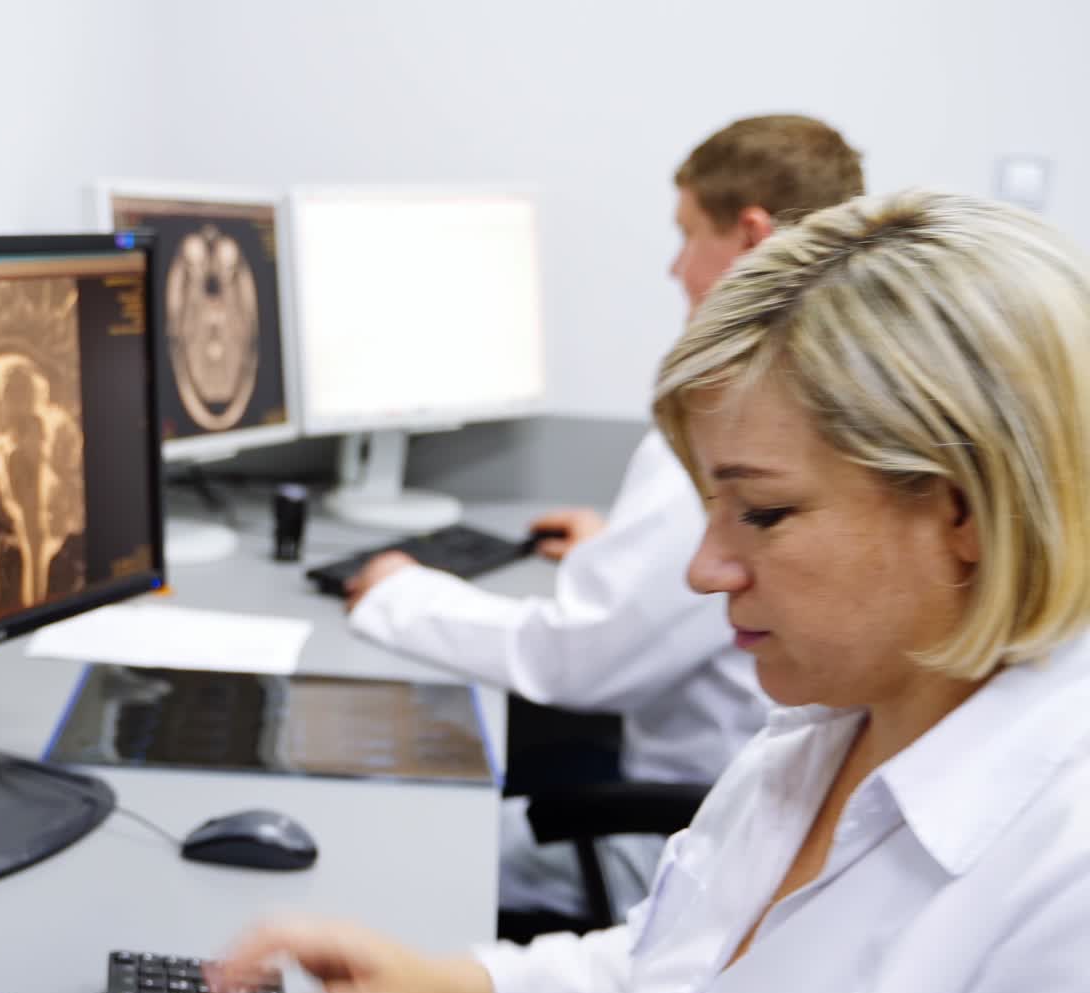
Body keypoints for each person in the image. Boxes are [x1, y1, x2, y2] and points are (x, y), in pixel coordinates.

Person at [203, 190, 1090, 993]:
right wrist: (455, 986)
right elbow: (702, 972)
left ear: (959, 511)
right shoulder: (838, 720)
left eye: (759, 512)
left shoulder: (1058, 888)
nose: (702, 568)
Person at [344, 115, 864, 926]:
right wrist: (620, 554)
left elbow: (573, 662)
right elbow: (673, 597)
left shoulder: (739, 411)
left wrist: (396, 595)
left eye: (687, 234)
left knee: (389, 849)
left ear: (751, 236)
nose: (674, 266)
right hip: (749, 802)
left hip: (681, 834)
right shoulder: (838, 393)